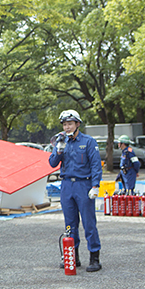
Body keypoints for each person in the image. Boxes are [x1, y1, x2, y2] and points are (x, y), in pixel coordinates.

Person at [49, 109, 103, 272]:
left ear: (77, 124)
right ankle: (73, 257)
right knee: (70, 224)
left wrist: (95, 185)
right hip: (67, 185)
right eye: (65, 124)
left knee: (89, 223)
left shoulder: (88, 141)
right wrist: (58, 149)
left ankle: (94, 258)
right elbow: (52, 163)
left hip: (83, 185)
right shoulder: (61, 141)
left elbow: (95, 165)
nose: (67, 127)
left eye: (70, 124)